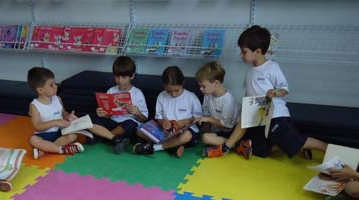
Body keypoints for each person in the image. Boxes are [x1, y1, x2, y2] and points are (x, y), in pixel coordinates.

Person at [218, 25, 326, 160]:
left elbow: (285, 88)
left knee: (297, 142)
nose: (241, 55)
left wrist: (275, 92)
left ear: (257, 51)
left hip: (276, 115)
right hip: (259, 116)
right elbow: (249, 98)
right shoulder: (250, 72)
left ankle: (324, 147)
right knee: (260, 150)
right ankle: (298, 146)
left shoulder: (272, 67)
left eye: (244, 52)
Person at [27, 67, 128, 159]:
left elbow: (63, 113)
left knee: (73, 136)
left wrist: (68, 117)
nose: (55, 86)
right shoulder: (35, 106)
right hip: (43, 135)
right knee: (33, 140)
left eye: (55, 83)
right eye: (51, 85)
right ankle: (61, 150)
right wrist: (55, 122)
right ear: (40, 90)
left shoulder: (58, 99)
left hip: (59, 133)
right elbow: (37, 126)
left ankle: (45, 149)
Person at [133, 66, 203, 158]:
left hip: (185, 131)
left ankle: (154, 148)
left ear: (182, 83)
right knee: (139, 130)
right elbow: (159, 116)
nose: (173, 94)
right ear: (164, 86)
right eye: (169, 91)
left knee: (187, 136)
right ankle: (172, 147)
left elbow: (198, 118)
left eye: (176, 90)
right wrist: (163, 124)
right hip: (166, 132)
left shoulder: (191, 97)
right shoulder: (161, 96)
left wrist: (184, 122)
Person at [92, 56, 148, 154]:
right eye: (117, 77)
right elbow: (108, 114)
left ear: (132, 76)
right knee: (91, 119)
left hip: (128, 126)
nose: (120, 80)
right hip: (113, 122)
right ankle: (116, 139)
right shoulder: (111, 90)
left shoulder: (137, 93)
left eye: (124, 77)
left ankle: (103, 137)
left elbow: (144, 118)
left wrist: (137, 112)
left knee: (130, 123)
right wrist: (103, 113)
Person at [193, 61, 239, 158]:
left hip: (230, 132)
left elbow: (227, 125)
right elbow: (207, 115)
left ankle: (235, 144)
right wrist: (203, 126)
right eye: (200, 86)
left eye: (203, 86)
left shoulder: (228, 99)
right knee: (205, 137)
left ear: (216, 83)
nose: (200, 89)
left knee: (206, 138)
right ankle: (234, 145)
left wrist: (208, 119)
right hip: (219, 133)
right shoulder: (208, 95)